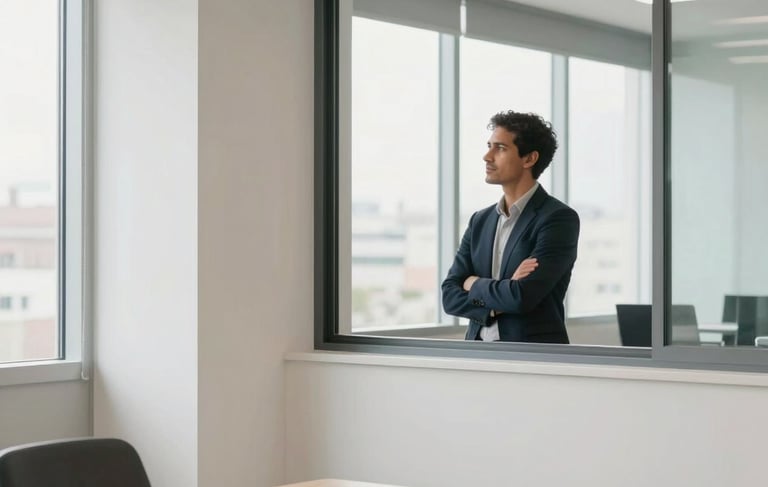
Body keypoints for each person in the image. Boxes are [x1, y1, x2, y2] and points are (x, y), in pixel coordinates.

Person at [441, 110, 579, 343]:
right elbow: (449, 296)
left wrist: (472, 283)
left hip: (533, 359)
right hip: (477, 356)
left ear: (529, 159)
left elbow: (521, 297)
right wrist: (502, 293)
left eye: (500, 148)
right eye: (489, 146)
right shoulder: (480, 221)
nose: (487, 156)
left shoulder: (558, 218)